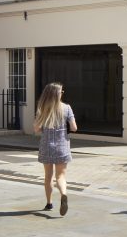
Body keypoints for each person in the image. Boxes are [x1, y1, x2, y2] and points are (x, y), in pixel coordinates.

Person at [33, 82, 77, 215]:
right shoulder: (67, 108)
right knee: (61, 176)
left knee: (48, 177)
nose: (62, 93)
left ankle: (49, 203)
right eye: (61, 92)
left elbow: (36, 130)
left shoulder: (42, 108)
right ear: (57, 94)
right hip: (62, 146)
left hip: (46, 146)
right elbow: (74, 128)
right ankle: (63, 194)